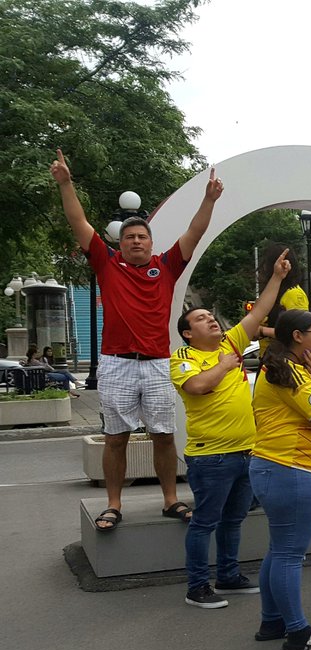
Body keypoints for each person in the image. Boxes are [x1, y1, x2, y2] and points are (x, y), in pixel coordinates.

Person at [51, 149, 223, 531]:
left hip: (159, 363)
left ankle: (170, 500)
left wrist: (208, 200)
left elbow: (195, 231)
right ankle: (113, 504)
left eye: (142, 237)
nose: (135, 242)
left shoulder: (167, 266)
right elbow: (77, 221)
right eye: (128, 237)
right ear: (120, 242)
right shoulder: (107, 263)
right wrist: (66, 183)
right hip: (116, 363)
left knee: (164, 436)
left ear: (150, 241)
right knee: (116, 438)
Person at [171, 247, 291, 609]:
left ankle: (227, 576)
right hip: (211, 457)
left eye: (212, 317)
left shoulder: (230, 342)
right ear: (187, 333)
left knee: (234, 520)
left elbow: (260, 312)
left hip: (246, 451)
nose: (212, 321)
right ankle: (197, 587)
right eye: (202, 319)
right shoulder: (183, 358)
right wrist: (224, 365)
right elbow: (197, 387)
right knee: (205, 522)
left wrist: (277, 277)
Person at [249, 309, 311, 650]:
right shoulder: (290, 371)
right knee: (289, 553)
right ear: (298, 337)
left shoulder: (285, 367)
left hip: (279, 466)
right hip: (292, 468)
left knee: (279, 550)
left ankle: (272, 621)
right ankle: (298, 631)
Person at [257, 242, 309, 350]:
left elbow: (299, 332)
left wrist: (262, 331)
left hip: (284, 358)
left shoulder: (293, 293)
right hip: (268, 357)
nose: (263, 269)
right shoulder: (271, 292)